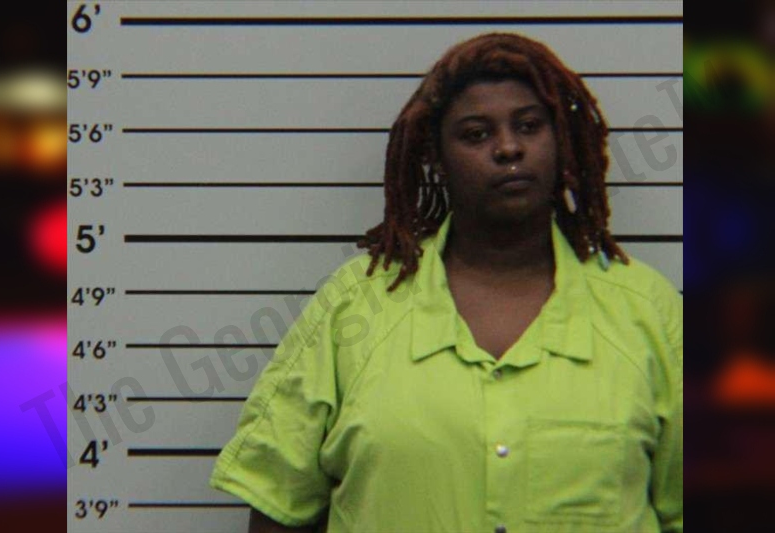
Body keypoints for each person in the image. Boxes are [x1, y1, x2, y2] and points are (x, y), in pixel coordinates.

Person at [210, 33, 683, 533]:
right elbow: (278, 509)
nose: (509, 148)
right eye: (476, 134)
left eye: (529, 126)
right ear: (436, 157)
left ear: (561, 139)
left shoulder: (647, 312)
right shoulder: (356, 307)